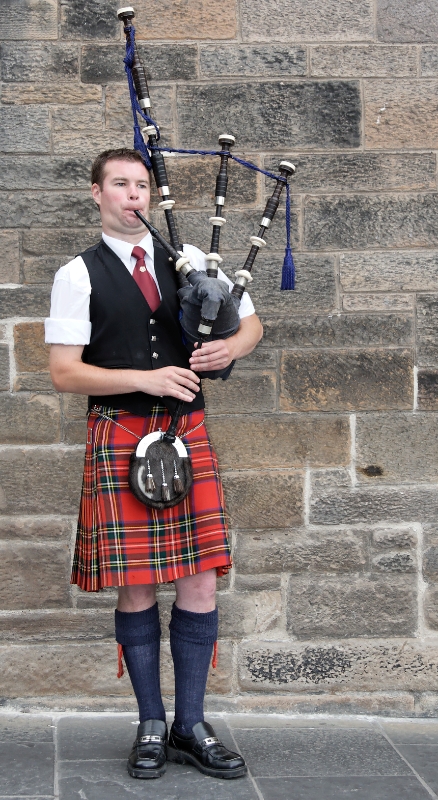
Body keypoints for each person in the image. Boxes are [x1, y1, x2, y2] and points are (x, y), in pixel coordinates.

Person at [45, 148, 262, 780]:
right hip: (121, 431)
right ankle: (149, 722)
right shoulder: (76, 274)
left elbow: (250, 326)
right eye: (120, 184)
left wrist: (226, 348)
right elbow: (64, 371)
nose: (134, 195)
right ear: (97, 195)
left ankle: (191, 725)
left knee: (197, 580)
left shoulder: (190, 261)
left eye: (142, 185)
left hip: (185, 432)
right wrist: (146, 377)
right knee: (137, 581)